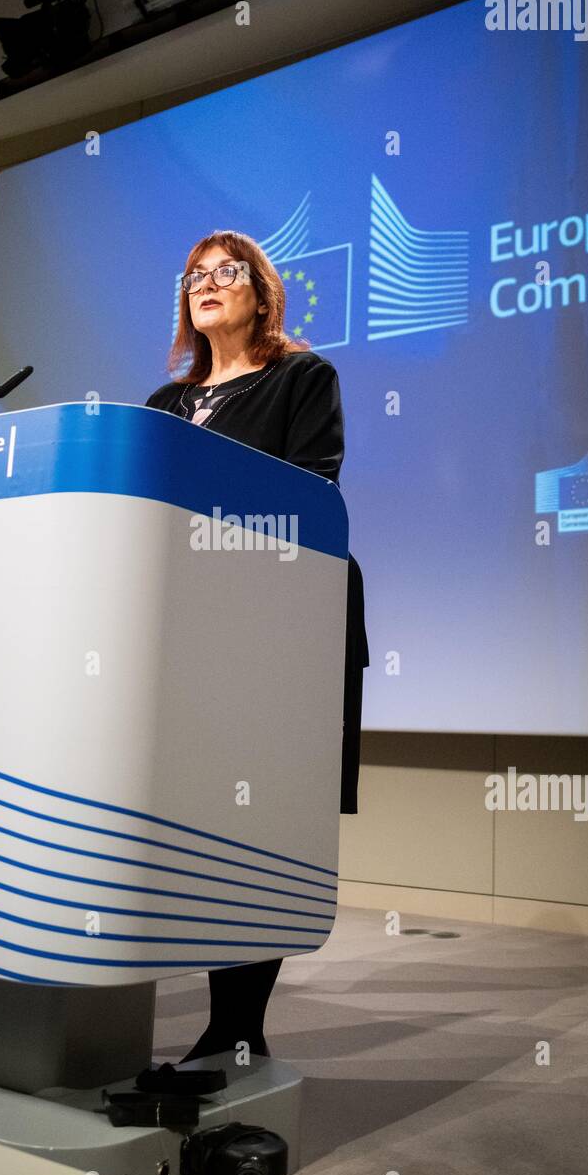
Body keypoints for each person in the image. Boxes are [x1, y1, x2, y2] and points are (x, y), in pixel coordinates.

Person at [145, 229, 369, 1064]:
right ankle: (223, 1019)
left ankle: (237, 1027)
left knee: (260, 819)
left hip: (283, 621)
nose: (207, 283)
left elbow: (311, 486)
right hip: (189, 625)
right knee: (203, 813)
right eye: (194, 273)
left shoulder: (301, 377)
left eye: (225, 272)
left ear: (260, 292)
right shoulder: (163, 406)